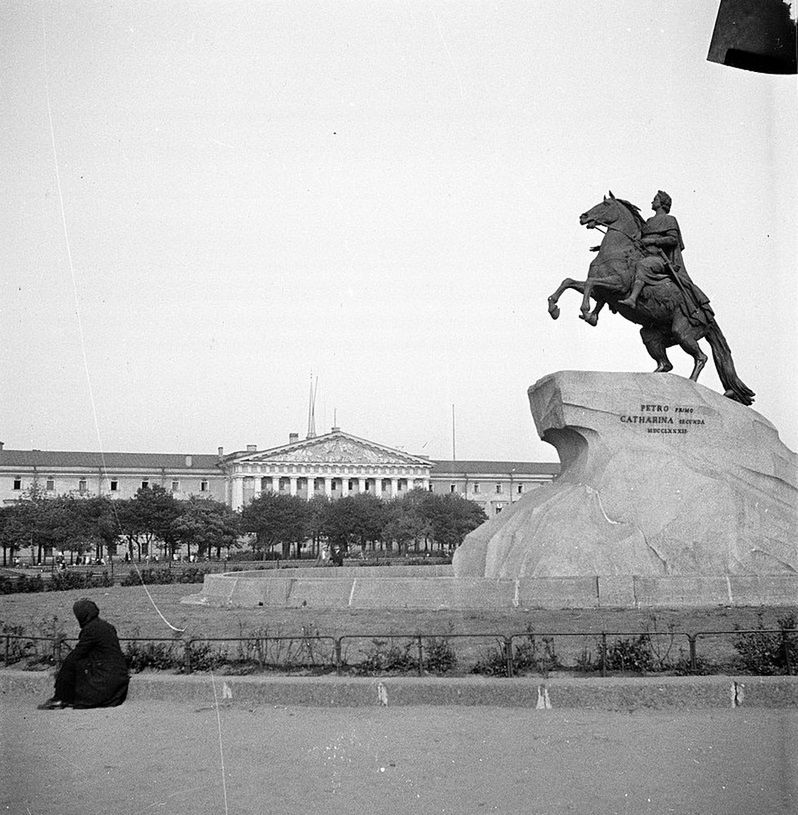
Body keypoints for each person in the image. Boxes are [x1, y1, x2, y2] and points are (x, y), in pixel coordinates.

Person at [617, 191, 713, 324]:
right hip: (644, 254)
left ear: (662, 203)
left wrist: (652, 241)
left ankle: (633, 299)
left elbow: (673, 239)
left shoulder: (669, 219)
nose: (652, 201)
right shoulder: (649, 221)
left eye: (655, 199)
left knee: (644, 265)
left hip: (659, 258)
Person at [38, 599, 129, 710]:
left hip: (106, 682)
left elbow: (76, 655)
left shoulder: (91, 629)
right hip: (118, 679)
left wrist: (62, 677)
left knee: (73, 663)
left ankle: (60, 698)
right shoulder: (107, 626)